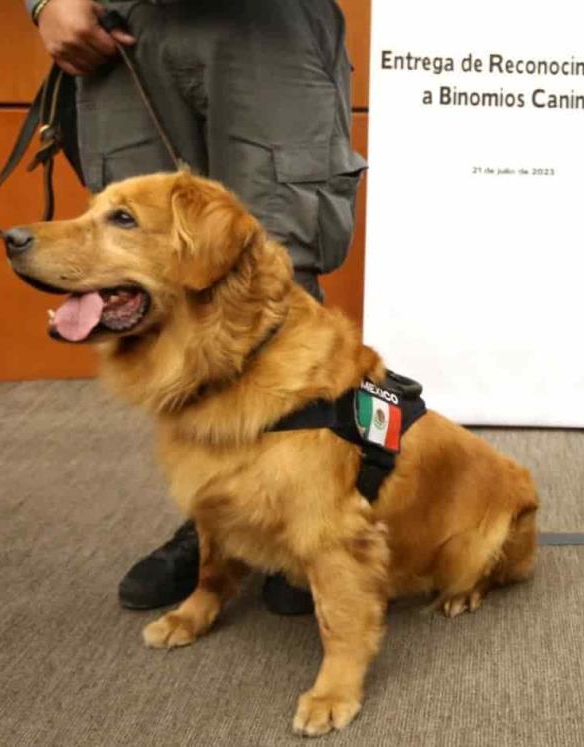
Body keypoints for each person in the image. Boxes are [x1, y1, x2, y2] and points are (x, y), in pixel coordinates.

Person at [26, 0, 366, 615]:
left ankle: (308, 510)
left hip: (269, 27)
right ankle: (214, 522)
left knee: (276, 249)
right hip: (123, 26)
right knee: (139, 265)